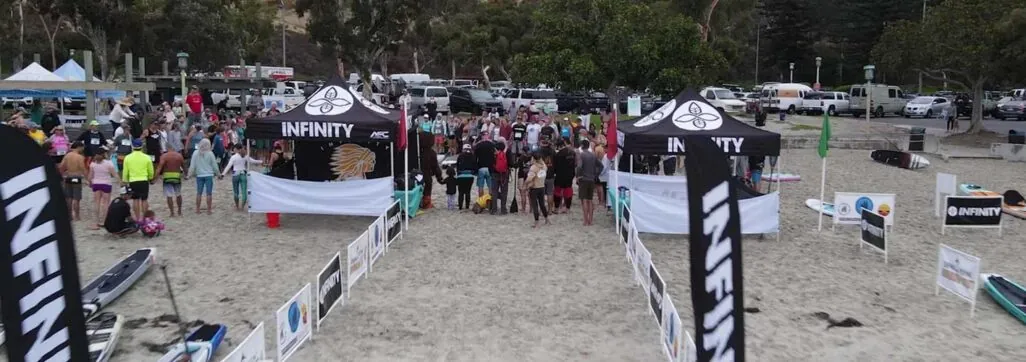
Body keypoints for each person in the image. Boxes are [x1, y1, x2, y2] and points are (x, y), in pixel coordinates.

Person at [221, 144, 263, 210]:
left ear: (237, 149)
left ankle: (237, 206)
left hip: (235, 174)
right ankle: (242, 206)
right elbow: (253, 161)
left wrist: (223, 174)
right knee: (244, 191)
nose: (233, 150)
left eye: (234, 149)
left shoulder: (233, 157)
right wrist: (261, 161)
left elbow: (228, 166)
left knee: (236, 191)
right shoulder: (245, 156)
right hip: (243, 173)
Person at [122, 139, 155, 221]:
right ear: (142, 146)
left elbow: (125, 171)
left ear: (132, 146)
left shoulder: (128, 158)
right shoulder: (147, 157)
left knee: (135, 199)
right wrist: (150, 177)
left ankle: (137, 218)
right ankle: (144, 218)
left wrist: (124, 180)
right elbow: (151, 170)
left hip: (133, 180)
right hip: (143, 180)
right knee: (144, 199)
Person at [187, 138, 221, 214]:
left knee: (199, 193)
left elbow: (192, 165)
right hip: (209, 175)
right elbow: (215, 166)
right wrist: (218, 174)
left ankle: (198, 209)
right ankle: (209, 210)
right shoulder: (210, 153)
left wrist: (189, 175)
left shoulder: (196, 153)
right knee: (209, 193)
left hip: (199, 175)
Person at [86, 149, 117, 229]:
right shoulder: (109, 163)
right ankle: (104, 221)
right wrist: (120, 182)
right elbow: (114, 174)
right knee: (106, 203)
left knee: (97, 203)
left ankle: (96, 222)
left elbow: (90, 176)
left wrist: (90, 183)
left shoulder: (92, 164)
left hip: (96, 184)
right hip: (106, 183)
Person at [576, 139, 603, 226]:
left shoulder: (581, 155)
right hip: (591, 179)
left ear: (582, 146)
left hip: (584, 179)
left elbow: (579, 167)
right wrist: (596, 174)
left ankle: (585, 220)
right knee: (590, 200)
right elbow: (601, 166)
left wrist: (578, 176)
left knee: (584, 200)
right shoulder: (593, 155)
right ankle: (590, 221)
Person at [58, 141, 87, 221]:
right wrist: (88, 179)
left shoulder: (67, 155)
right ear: (79, 147)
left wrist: (61, 175)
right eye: (82, 147)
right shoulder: (79, 157)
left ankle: (70, 216)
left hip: (68, 177)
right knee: (76, 198)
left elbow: (61, 167)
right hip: (76, 177)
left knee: (69, 197)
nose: (83, 149)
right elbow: (83, 169)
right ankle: (77, 216)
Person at [156, 146, 187, 216]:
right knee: (178, 194)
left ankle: (172, 212)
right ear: (173, 149)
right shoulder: (179, 156)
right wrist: (186, 174)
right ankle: (179, 210)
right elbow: (184, 166)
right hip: (177, 176)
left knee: (169, 195)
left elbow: (159, 168)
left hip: (167, 176)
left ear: (167, 149)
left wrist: (154, 178)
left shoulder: (164, 156)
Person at [525, 151, 550, 227]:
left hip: (534, 188)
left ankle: (537, 222)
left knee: (535, 205)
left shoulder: (534, 167)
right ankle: (546, 219)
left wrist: (525, 184)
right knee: (542, 204)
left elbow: (529, 178)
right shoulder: (544, 166)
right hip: (542, 186)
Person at [419, 133, 442, 209]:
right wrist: (439, 177)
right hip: (426, 173)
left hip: (418, 172)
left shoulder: (417, 151)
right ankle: (426, 203)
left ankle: (422, 202)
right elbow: (435, 166)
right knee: (428, 185)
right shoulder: (431, 153)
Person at [490, 139, 510, 215]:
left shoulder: (493, 153)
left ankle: (494, 209)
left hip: (495, 174)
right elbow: (511, 163)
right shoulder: (507, 153)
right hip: (504, 175)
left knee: (494, 192)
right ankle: (503, 209)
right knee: (504, 192)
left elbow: (490, 163)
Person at [455, 144, 477, 210]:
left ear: (463, 149)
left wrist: (458, 173)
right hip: (469, 176)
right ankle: (467, 206)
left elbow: (457, 166)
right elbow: (475, 167)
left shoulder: (460, 155)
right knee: (468, 191)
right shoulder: (473, 156)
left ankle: (460, 206)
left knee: (461, 192)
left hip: (461, 176)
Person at [595, 144, 609, 211]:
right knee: (604, 189)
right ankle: (604, 202)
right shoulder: (607, 156)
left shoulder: (606, 157)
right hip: (606, 175)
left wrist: (598, 173)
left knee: (603, 189)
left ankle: (603, 202)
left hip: (604, 176)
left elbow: (603, 167)